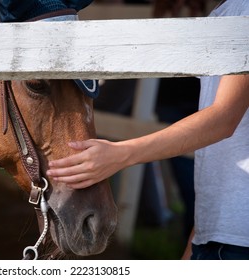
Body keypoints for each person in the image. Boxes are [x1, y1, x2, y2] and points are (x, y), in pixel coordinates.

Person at [47, 0, 249, 259]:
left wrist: (121, 154)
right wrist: (198, 239)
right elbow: (224, 155)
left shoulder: (243, 12)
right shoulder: (227, 11)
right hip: (216, 235)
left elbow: (223, 119)